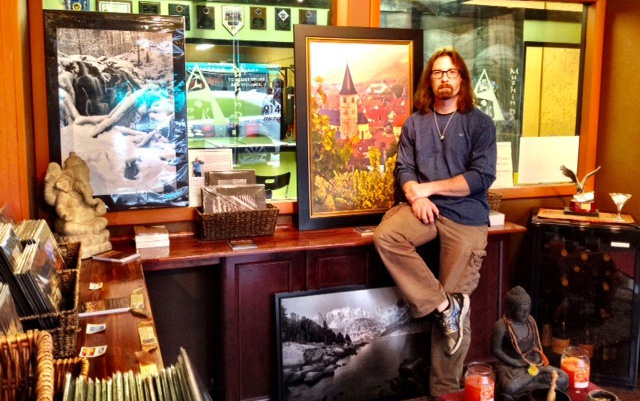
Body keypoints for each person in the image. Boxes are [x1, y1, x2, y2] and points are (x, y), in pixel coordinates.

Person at [373, 48, 497, 396]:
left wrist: (428, 188)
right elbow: (405, 169)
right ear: (430, 80)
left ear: (462, 79)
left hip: (467, 216)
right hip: (423, 210)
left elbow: (480, 177)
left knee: (455, 314)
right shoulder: (415, 123)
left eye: (452, 72)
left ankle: (444, 391)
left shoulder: (480, 123)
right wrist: (416, 195)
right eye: (438, 72)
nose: (445, 77)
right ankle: (445, 307)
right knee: (386, 236)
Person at [492, 286, 569, 400]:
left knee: (564, 377)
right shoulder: (501, 326)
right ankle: (537, 378)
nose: (525, 314)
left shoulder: (530, 322)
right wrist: (514, 362)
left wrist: (537, 359)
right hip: (509, 366)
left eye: (528, 310)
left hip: (531, 363)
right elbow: (495, 349)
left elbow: (536, 345)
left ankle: (535, 377)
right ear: (510, 309)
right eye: (521, 311)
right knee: (509, 387)